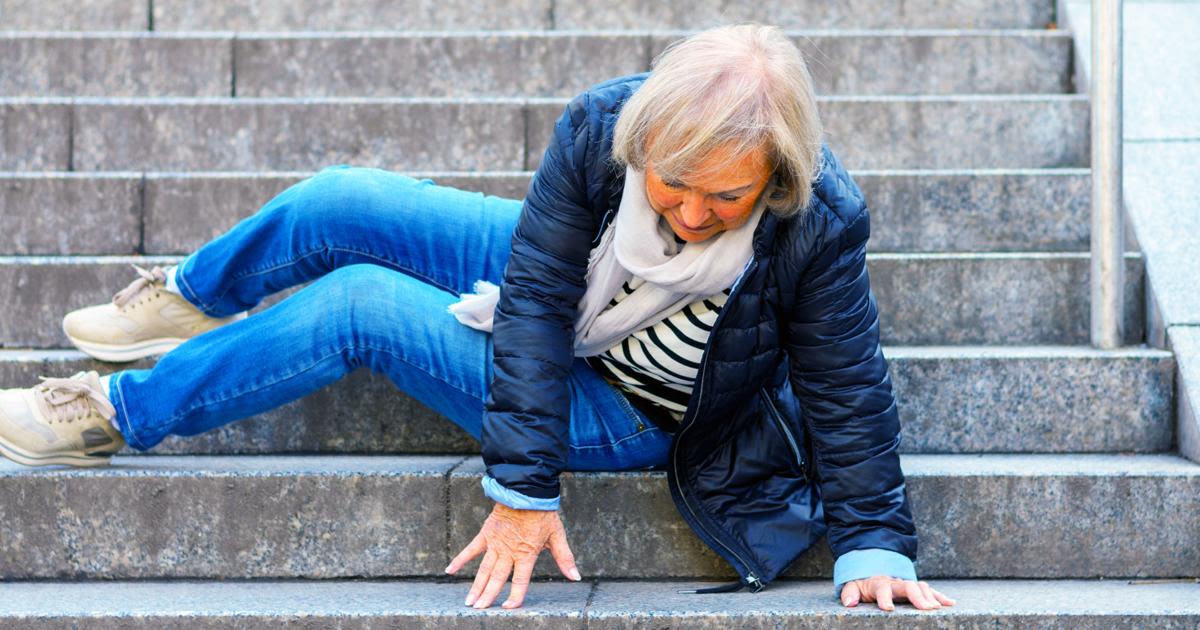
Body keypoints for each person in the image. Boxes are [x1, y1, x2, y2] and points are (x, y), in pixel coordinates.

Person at [0, 23, 955, 612]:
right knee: (344, 199)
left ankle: (117, 413)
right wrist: (521, 484)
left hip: (629, 405)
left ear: (778, 174)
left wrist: (873, 538)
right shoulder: (602, 128)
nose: (697, 214)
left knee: (360, 302)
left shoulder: (813, 219)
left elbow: (844, 383)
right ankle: (193, 299)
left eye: (728, 198)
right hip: (583, 281)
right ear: (640, 143)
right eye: (675, 187)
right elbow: (538, 298)